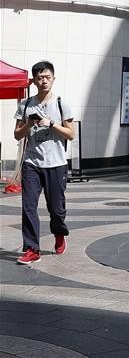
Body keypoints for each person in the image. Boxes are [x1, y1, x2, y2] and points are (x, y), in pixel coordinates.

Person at [15, 60, 76, 266]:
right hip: (31, 163)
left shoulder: (61, 104)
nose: (44, 81)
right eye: (40, 78)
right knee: (28, 207)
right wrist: (28, 124)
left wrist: (51, 124)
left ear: (53, 79)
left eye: (47, 77)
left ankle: (59, 233)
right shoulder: (25, 105)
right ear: (34, 81)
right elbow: (17, 134)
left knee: (56, 209)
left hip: (56, 164)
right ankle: (32, 249)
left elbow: (71, 134)